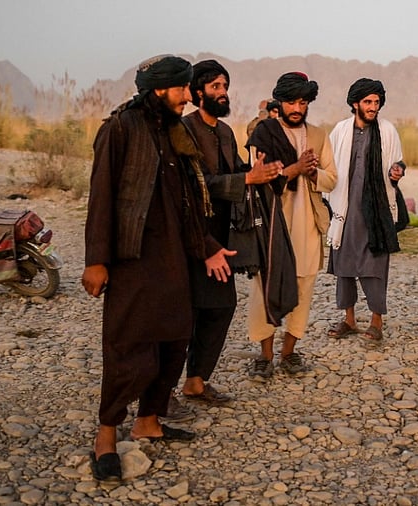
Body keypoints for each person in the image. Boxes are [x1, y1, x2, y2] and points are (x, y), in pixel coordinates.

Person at [81, 55, 230, 481]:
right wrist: (96, 260)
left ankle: (149, 420)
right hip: (133, 259)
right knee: (127, 344)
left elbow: (186, 202)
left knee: (173, 341)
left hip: (173, 259)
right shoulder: (121, 129)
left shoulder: (175, 131)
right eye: (182, 88)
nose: (188, 95)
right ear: (159, 90)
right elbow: (102, 196)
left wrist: (207, 247)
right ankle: (106, 434)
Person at [180, 60, 283, 398]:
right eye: (215, 87)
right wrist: (244, 178)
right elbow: (195, 185)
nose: (223, 93)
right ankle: (162, 391)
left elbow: (234, 171)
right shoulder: (185, 130)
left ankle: (196, 381)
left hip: (223, 233)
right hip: (192, 233)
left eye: (225, 86)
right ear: (198, 93)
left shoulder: (224, 132)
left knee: (221, 306)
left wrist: (256, 172)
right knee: (184, 315)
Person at [245, 72, 337, 380]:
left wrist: (311, 175)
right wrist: (294, 169)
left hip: (307, 225)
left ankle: (289, 354)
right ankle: (265, 356)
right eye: (291, 102)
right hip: (272, 225)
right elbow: (257, 179)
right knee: (265, 289)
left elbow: (331, 178)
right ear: (279, 102)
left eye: (302, 102)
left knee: (303, 288)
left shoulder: (319, 136)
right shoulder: (263, 134)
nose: (297, 108)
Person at [326, 78, 404, 344]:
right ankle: (349, 319)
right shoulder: (340, 130)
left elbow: (397, 162)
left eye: (377, 102)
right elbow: (330, 166)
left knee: (374, 266)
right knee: (344, 266)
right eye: (368, 102)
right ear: (354, 103)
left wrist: (397, 171)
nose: (373, 107)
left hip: (375, 211)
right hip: (345, 209)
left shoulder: (388, 130)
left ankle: (376, 322)